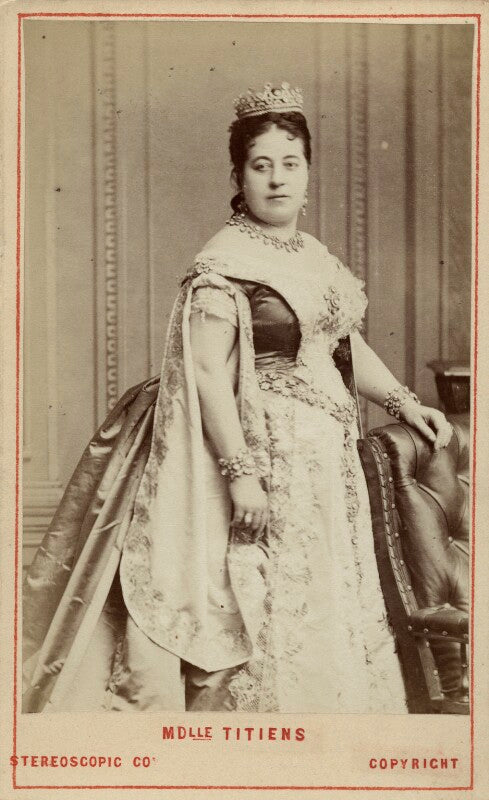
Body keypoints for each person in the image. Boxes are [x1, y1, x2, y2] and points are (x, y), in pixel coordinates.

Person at [23, 82, 453, 714]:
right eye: (261, 165)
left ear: (308, 172)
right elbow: (204, 372)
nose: (277, 179)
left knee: (330, 588)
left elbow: (337, 343)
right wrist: (240, 472)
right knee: (273, 589)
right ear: (239, 176)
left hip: (327, 459)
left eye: (290, 164)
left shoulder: (312, 255)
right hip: (264, 448)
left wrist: (402, 401)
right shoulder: (225, 263)